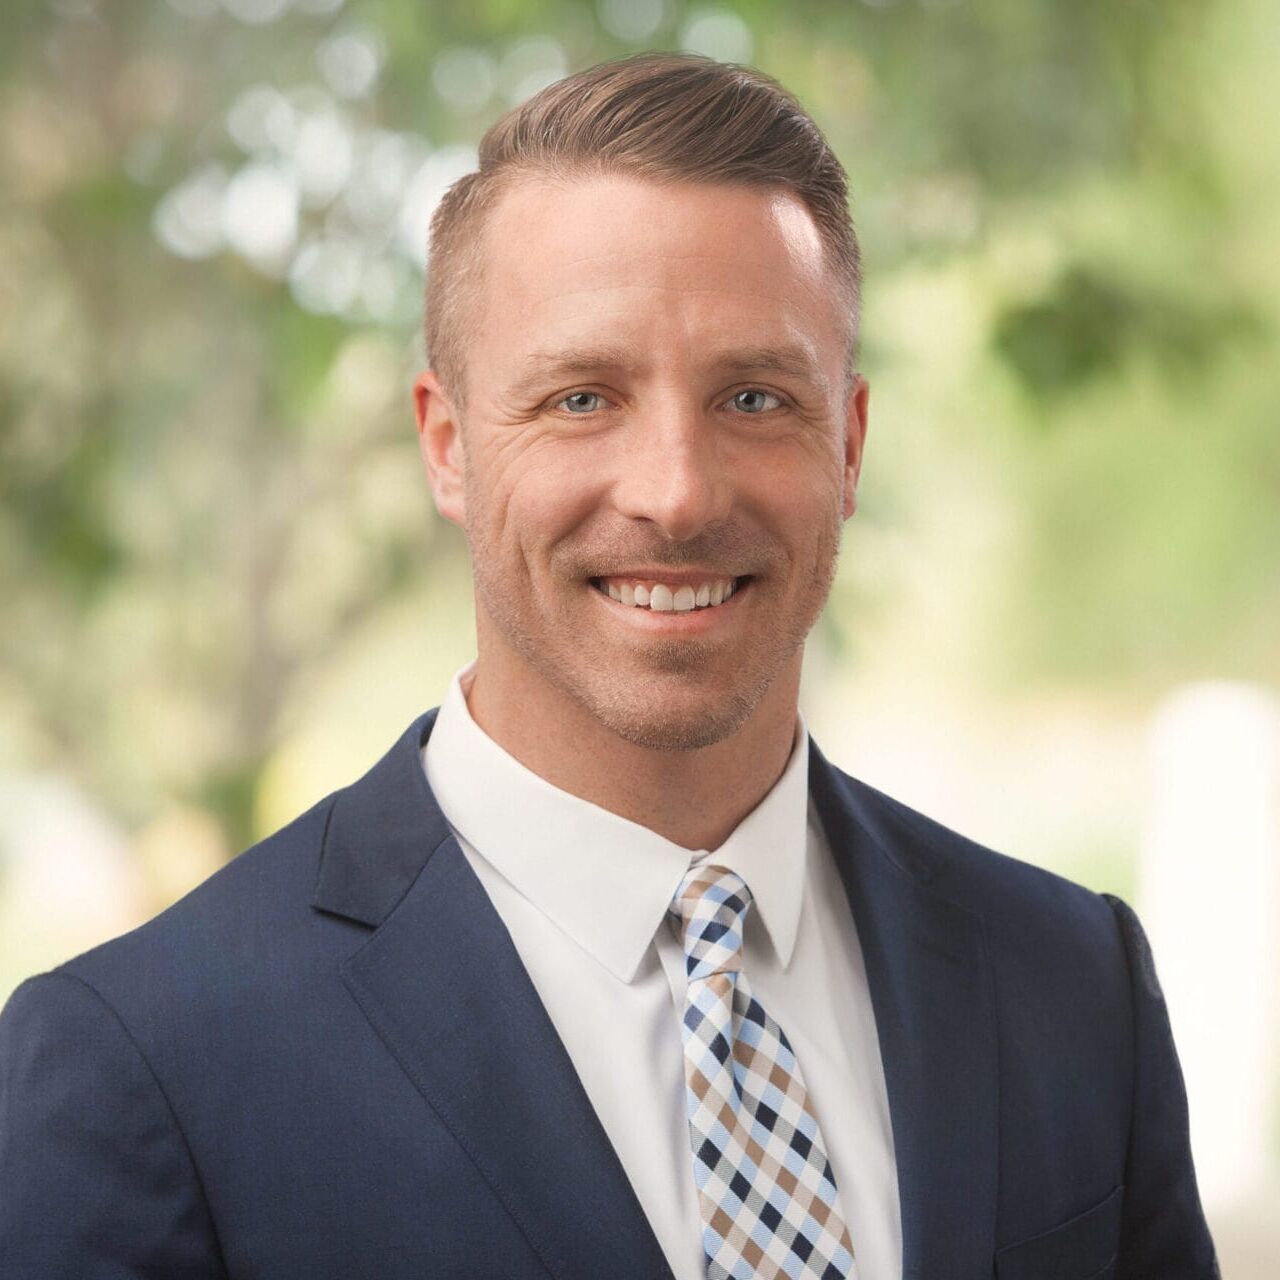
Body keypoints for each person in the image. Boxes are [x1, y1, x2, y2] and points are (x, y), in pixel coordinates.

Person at [0, 52, 1218, 1280]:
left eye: (751, 397)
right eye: (582, 398)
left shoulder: (1073, 986)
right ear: (447, 444)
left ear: (846, 443)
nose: (676, 493)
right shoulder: (141, 1065)